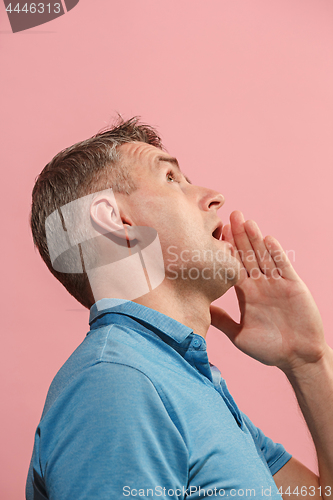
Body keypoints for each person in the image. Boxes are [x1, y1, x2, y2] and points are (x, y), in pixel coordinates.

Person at [26, 117, 333, 500]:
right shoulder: (116, 385)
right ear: (115, 220)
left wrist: (309, 360)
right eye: (171, 178)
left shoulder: (187, 383)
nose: (215, 196)